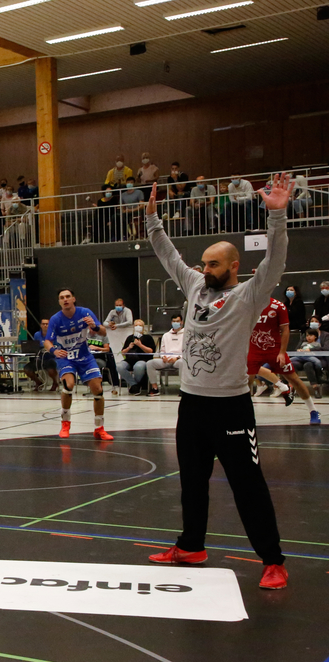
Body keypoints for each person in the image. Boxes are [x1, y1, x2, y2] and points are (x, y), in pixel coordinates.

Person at [144, 176, 291, 589]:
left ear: (233, 266)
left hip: (231, 407)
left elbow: (275, 259)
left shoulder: (249, 295)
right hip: (191, 404)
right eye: (204, 263)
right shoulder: (194, 286)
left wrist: (276, 215)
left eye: (213, 264)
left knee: (248, 486)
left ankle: (272, 560)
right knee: (191, 481)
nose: (204, 269)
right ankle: (191, 546)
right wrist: (153, 220)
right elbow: (168, 255)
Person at [42, 288, 113, 440]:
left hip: (84, 356)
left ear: (73, 299)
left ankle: (99, 428)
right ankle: (65, 423)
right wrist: (53, 350)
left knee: (97, 389)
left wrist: (94, 326)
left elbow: (103, 332)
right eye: (62, 297)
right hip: (65, 356)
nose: (65, 299)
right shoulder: (56, 319)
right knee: (69, 385)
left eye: (68, 296)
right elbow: (47, 341)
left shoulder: (85, 312)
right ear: (59, 301)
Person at [246, 297, 320, 425]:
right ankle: (245, 415)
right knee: (247, 381)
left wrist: (281, 352)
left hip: (274, 349)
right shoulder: (247, 303)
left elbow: (285, 330)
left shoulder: (278, 306)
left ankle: (313, 410)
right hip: (253, 349)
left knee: (294, 379)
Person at [145, 314, 185, 396]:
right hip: (167, 360)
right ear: (171, 322)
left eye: (177, 321)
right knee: (150, 363)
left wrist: (177, 358)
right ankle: (155, 388)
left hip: (178, 360)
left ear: (182, 322)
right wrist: (163, 357)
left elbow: (187, 351)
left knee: (182, 363)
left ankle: (183, 389)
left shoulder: (186, 334)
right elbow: (162, 350)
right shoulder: (166, 335)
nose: (175, 323)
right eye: (174, 321)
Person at [117, 320, 155, 395]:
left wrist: (140, 345)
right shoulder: (130, 338)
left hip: (142, 359)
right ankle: (135, 385)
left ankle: (135, 386)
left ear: (143, 327)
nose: (138, 327)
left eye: (140, 325)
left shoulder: (148, 338)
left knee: (138, 366)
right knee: (119, 366)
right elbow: (123, 352)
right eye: (136, 325)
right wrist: (129, 347)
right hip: (129, 360)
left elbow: (151, 351)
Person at [103, 298, 134, 364]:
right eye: (116, 305)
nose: (118, 307)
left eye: (120, 305)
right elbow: (104, 323)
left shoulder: (127, 311)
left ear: (123, 305)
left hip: (125, 333)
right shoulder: (112, 312)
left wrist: (117, 325)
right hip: (115, 335)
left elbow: (130, 322)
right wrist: (109, 325)